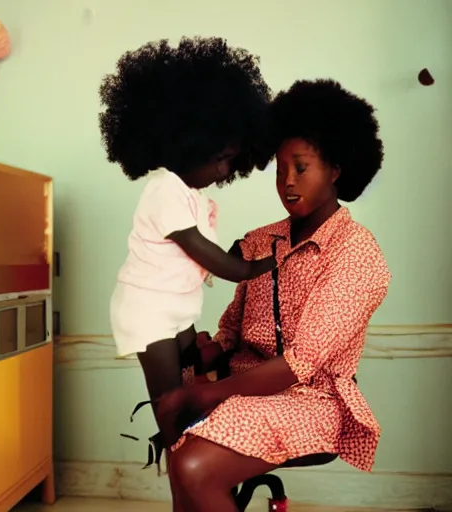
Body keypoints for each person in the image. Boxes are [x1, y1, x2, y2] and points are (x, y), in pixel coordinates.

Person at [155, 79, 391, 512]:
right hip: (241, 391)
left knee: (193, 466)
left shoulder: (357, 254)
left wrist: (204, 395)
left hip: (309, 401)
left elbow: (300, 363)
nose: (287, 181)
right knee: (179, 449)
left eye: (300, 167)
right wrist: (207, 353)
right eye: (279, 169)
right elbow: (232, 328)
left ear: (335, 170)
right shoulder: (261, 242)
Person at [98, 37, 278, 451]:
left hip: (176, 309)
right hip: (148, 311)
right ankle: (181, 463)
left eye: (230, 159)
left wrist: (240, 252)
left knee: (192, 380)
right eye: (218, 158)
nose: (225, 168)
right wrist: (255, 268)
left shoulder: (192, 195)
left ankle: (192, 455)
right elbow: (207, 256)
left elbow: (199, 259)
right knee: (170, 401)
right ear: (185, 144)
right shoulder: (164, 189)